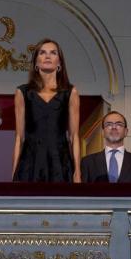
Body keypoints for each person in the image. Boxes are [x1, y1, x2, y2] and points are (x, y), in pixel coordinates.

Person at [12, 39, 82, 183]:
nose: (48, 56)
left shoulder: (70, 92)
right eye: (42, 53)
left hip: (60, 164)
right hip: (30, 164)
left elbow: (74, 136)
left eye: (53, 53)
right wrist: (14, 175)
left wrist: (77, 173)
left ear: (59, 63)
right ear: (36, 63)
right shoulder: (23, 92)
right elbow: (19, 137)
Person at [81, 111, 131, 183]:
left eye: (119, 124)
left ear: (126, 131)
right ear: (102, 132)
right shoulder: (87, 162)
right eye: (109, 124)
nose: (114, 127)